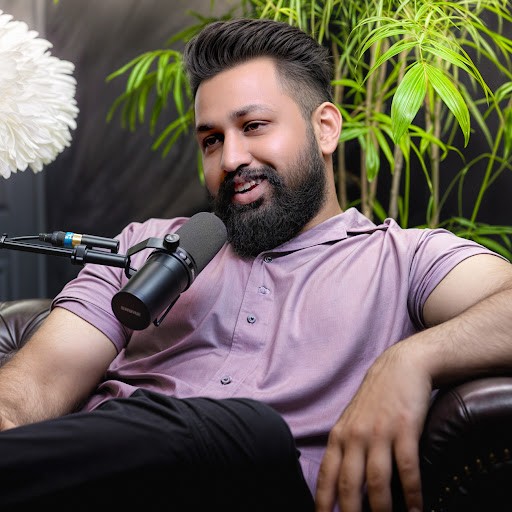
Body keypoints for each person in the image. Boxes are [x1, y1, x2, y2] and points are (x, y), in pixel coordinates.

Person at [0, 17, 511, 512]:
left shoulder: (405, 259)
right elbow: (36, 386)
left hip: (263, 486)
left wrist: (411, 359)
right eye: (212, 140)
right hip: (91, 486)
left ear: (325, 128)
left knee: (252, 431)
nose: (230, 159)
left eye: (254, 126)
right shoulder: (143, 248)